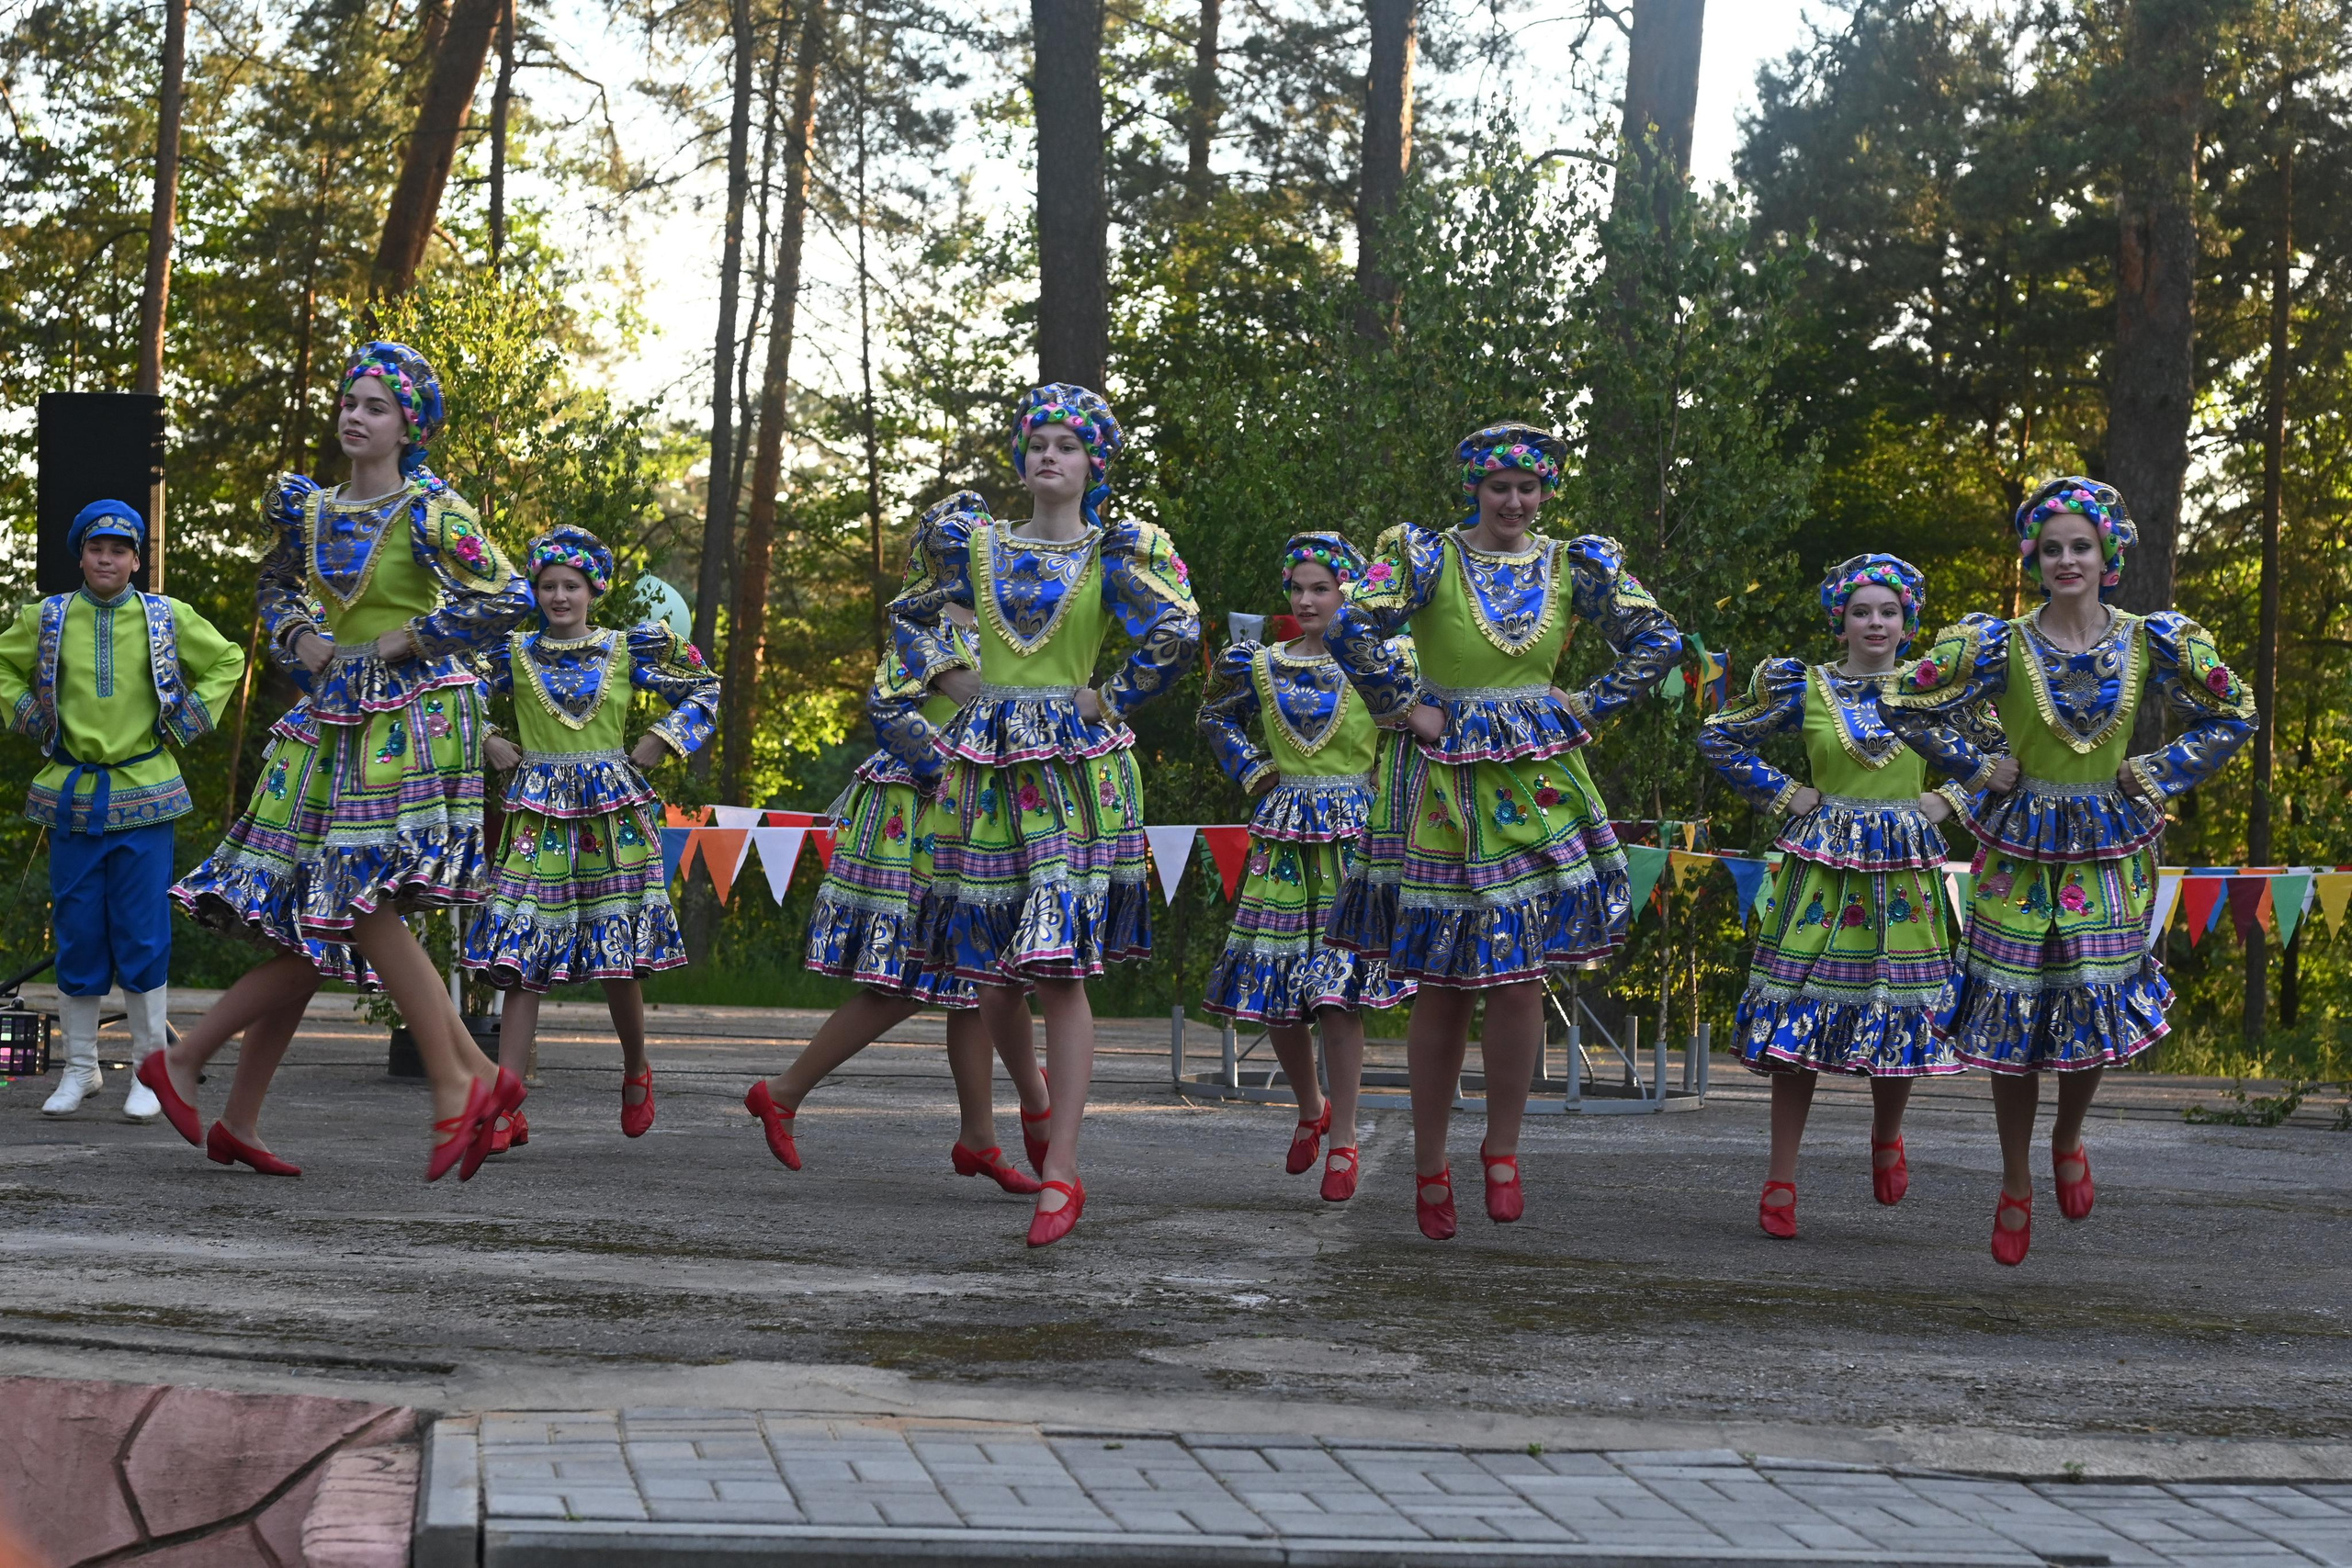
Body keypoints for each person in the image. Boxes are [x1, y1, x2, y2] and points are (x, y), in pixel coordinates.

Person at [150, 342, 534, 1180]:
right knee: (320, 914)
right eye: (349, 403)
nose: (354, 416)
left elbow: (508, 594)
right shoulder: (308, 508)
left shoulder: (432, 510)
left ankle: (452, 1080)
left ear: (409, 427)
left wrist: (415, 636)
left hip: (405, 726)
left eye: (375, 406)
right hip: (327, 724)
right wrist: (299, 637)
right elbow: (276, 586)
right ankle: (460, 1081)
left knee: (337, 909)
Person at [1880, 479, 2254, 1265]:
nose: (2067, 559)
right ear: (2035, 559)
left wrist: (2159, 769)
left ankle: (2069, 1133)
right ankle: (2014, 1178)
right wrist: (1977, 765)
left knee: (2093, 1002)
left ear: (2108, 552)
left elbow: (2235, 711)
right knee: (2013, 1017)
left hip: (2108, 848)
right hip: (2017, 849)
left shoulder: (2154, 639)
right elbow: (1899, 700)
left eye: (2081, 545)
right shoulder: (1995, 644)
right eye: (2052, 548)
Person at [1326, 423, 1681, 1240]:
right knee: (1444, 983)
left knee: (1520, 976)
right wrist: (1402, 708)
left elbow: (1659, 638)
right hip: (1442, 783)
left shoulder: (1573, 564)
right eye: (1499, 488)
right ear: (1474, 490)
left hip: (1538, 779)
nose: (1515, 501)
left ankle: (1503, 1150)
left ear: (1547, 491)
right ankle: (1427, 1162)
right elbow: (1351, 625)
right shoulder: (1426, 556)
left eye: (1529, 488)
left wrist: (1590, 701)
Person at [889, 385, 1201, 1247]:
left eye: (1068, 444)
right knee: (989, 967)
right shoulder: (974, 545)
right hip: (985, 765)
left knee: (1058, 966)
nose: (1049, 456)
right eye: (1038, 444)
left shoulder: (1115, 552)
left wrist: (1111, 695)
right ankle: (1031, 1097)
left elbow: (1179, 627)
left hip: (1072, 771)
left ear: (1093, 462)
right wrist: (955, 681)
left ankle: (1062, 1167)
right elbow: (908, 617)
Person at [744, 577, 1050, 1192]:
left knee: (975, 980)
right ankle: (782, 1091)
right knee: (907, 978)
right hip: (915, 810)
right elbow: (886, 706)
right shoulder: (921, 621)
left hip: (973, 808)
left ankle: (978, 1137)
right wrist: (946, 767)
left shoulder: (1005, 623)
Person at [1696, 554, 1970, 1239]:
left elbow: (2001, 753)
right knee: (1797, 1020)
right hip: (1822, 869)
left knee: (1898, 1012)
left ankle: (1886, 1135)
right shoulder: (1805, 686)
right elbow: (1720, 734)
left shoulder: (1934, 688)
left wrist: (1948, 799)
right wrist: (1787, 793)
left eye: (1888, 611)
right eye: (1861, 611)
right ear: (1840, 620)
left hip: (1903, 869)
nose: (1875, 622)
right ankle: (1781, 1178)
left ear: (1908, 624)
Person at [466, 526, 719, 1144]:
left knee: (617, 959)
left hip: (613, 816)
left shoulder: (627, 648)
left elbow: (703, 686)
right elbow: (446, 697)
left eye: (570, 586)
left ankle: (636, 1068)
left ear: (593, 590)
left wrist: (659, 739)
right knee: (521, 958)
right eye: (548, 585)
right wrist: (489, 738)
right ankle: (506, 1105)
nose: (558, 596)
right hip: (535, 818)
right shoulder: (511, 652)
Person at [0, 502, 245, 1120]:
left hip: (146, 791)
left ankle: (147, 1068)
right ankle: (80, 1068)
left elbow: (227, 659)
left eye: (119, 548)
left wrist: (186, 722)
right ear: (79, 554)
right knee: (79, 929)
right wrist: (32, 716)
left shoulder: (165, 616)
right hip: (73, 795)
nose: (106, 558)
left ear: (137, 559)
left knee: (142, 931)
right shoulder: (49, 616)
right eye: (95, 547)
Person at [1196, 532, 1413, 1201]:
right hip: (1283, 838)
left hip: (1356, 838)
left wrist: (1397, 798)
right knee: (1277, 997)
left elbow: (1413, 722)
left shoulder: (1378, 661)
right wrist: (1256, 770)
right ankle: (1310, 1106)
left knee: (1337, 996)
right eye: (1298, 587)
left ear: (1348, 593)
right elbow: (1214, 716)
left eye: (1322, 587)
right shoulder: (1260, 662)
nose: (1308, 598)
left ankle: (1343, 1138)